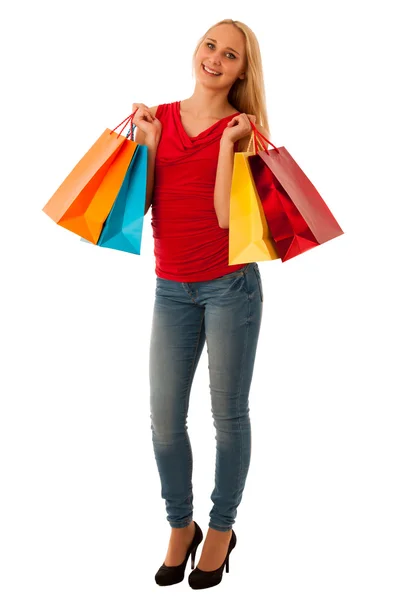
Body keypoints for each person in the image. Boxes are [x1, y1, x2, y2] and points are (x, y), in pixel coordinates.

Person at [131, 18, 271, 590]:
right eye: (210, 45)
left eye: (231, 55)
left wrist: (229, 146)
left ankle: (221, 529)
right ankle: (179, 525)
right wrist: (148, 143)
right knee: (164, 422)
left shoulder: (242, 129)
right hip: (172, 288)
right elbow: (138, 210)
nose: (215, 58)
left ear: (242, 71)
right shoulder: (160, 117)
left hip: (230, 286)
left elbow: (223, 217)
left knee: (227, 417)